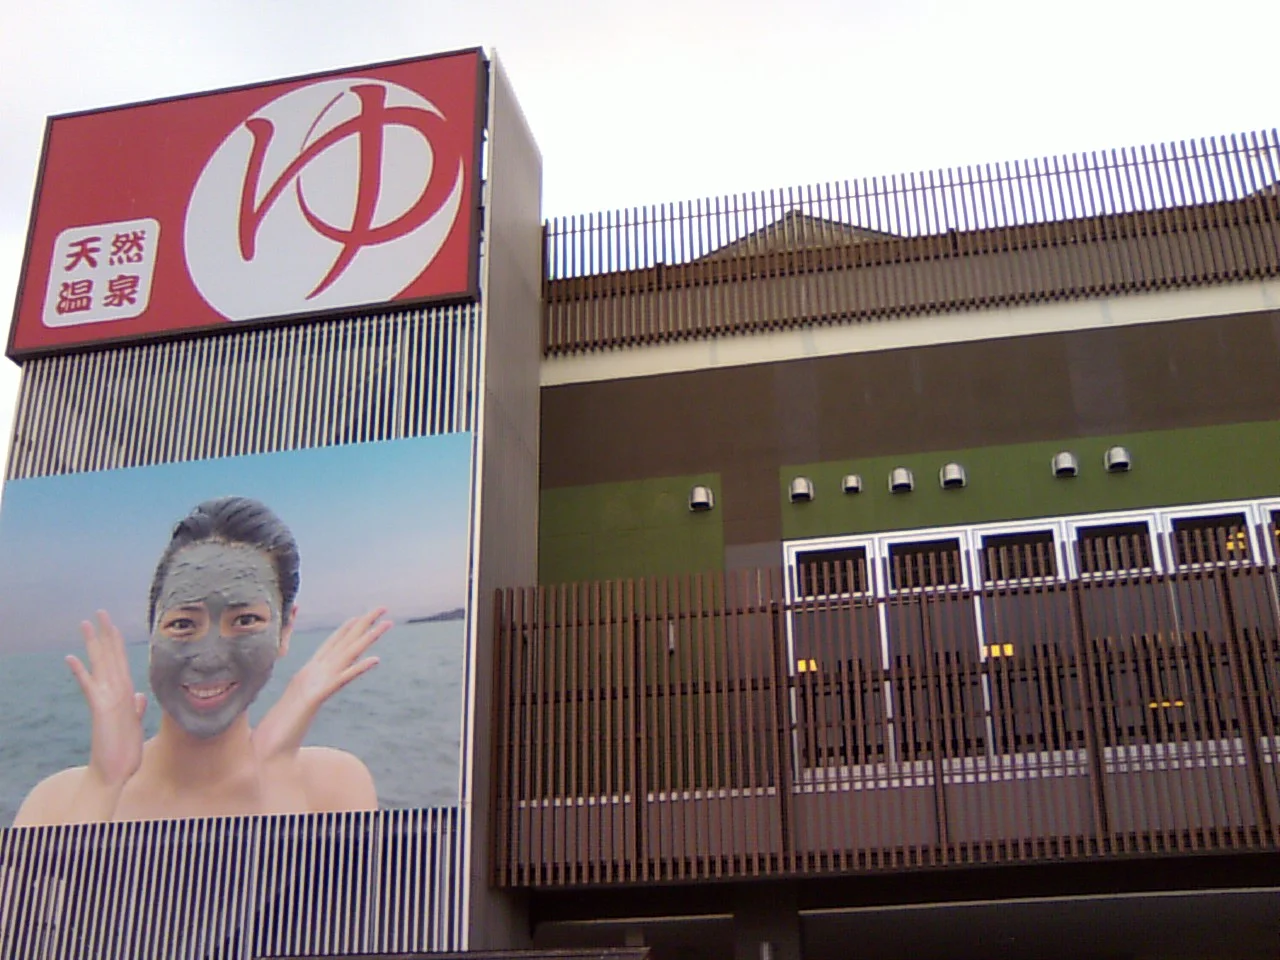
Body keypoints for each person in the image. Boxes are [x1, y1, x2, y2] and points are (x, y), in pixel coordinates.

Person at [13, 496, 392, 826]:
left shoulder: (334, 784)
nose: (209, 657)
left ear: (285, 630)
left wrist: (275, 767)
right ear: (152, 634)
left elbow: (315, 910)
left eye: (245, 621)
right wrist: (103, 786)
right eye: (182, 624)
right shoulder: (56, 802)